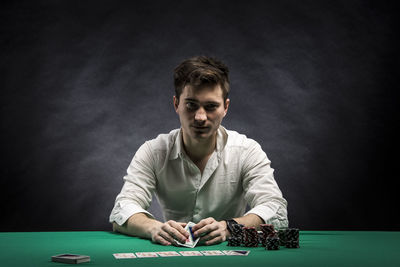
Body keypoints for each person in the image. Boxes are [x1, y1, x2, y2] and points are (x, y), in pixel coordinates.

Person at [109, 56, 288, 246]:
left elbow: (275, 208)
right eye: (191, 105)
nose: (200, 117)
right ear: (176, 104)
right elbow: (123, 210)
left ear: (225, 107)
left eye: (211, 106)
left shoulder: (247, 151)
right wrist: (154, 227)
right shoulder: (153, 151)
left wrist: (229, 228)